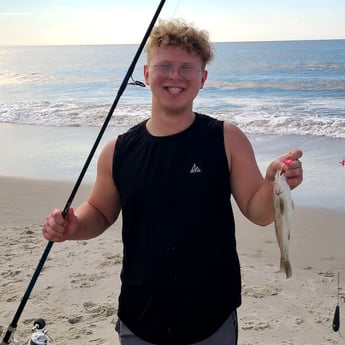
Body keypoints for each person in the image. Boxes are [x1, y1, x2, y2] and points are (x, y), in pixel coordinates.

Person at [42, 19, 303, 345]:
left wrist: (272, 182)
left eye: (187, 68)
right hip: (140, 317)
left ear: (202, 78)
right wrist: (72, 225)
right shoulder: (118, 150)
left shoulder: (227, 139)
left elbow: (259, 211)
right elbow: (99, 211)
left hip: (211, 316)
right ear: (147, 73)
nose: (175, 76)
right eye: (164, 66)